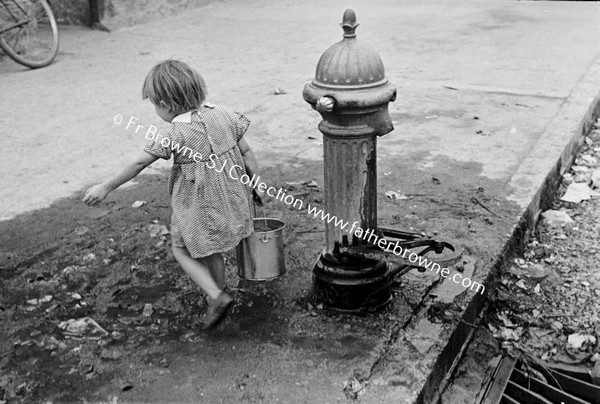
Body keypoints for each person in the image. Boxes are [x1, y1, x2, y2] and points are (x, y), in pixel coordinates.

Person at [83, 59, 263, 329]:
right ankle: (220, 293)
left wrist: (105, 186)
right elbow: (247, 152)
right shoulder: (224, 114)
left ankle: (215, 295)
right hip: (230, 197)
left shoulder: (174, 133)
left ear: (166, 104)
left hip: (198, 205)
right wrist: (257, 183)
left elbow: (138, 163)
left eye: (155, 104)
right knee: (211, 249)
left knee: (181, 250)